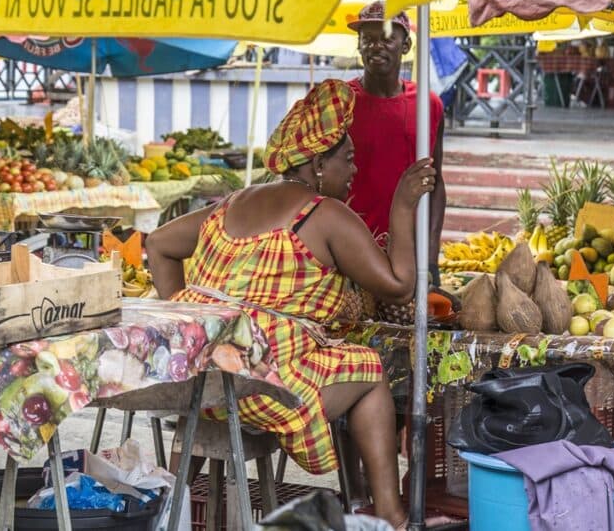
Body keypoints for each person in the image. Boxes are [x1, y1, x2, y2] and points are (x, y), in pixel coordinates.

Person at [146, 80, 435, 528]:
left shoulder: (229, 205)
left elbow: (159, 243)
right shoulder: (323, 214)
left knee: (334, 358)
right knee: (368, 366)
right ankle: (392, 516)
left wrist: (194, 324)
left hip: (197, 381)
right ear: (319, 163)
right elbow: (399, 286)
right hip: (262, 387)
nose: (355, 171)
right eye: (349, 159)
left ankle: (175, 511)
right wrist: (402, 206)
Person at [346, 1, 446, 298]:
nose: (376, 46)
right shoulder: (340, 102)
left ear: (406, 45)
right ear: (359, 46)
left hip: (408, 253)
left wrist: (430, 258)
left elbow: (436, 182)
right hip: (349, 248)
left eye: (388, 38)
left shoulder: (429, 105)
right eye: (368, 39)